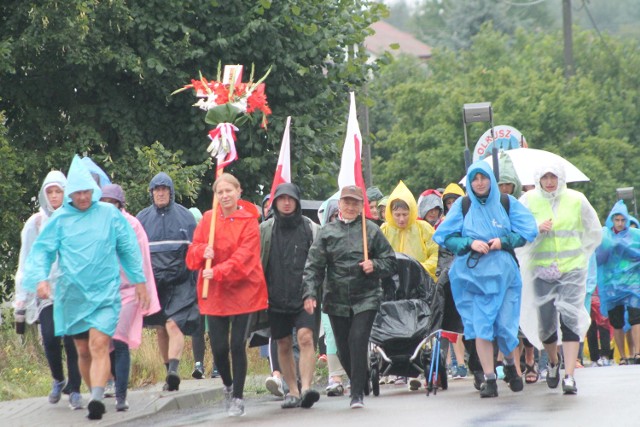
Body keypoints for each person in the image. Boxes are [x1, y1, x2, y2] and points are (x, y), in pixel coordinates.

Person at [23, 155, 149, 420]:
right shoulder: (60, 220)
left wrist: (139, 281)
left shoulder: (109, 215)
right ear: (70, 194)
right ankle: (95, 395)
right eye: (77, 193)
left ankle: (96, 396)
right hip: (73, 296)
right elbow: (42, 252)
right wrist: (41, 279)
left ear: (94, 192)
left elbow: (128, 248)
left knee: (100, 344)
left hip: (104, 293)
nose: (82, 197)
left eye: (86, 192)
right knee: (82, 350)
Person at [433, 161, 538, 398]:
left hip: (504, 277)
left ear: (491, 179)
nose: (479, 183)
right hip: (472, 278)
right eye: (474, 179)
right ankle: (489, 378)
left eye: (483, 178)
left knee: (505, 327)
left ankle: (510, 363)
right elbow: (445, 236)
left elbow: (527, 231)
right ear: (469, 182)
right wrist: (469, 243)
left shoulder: (506, 203)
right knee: (480, 326)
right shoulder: (463, 205)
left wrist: (503, 242)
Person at [303, 185, 396, 409]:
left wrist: (374, 264)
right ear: (340, 205)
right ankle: (361, 378)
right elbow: (313, 267)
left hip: (366, 297)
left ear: (361, 206)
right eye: (347, 202)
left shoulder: (371, 230)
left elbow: (391, 261)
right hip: (335, 299)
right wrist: (309, 293)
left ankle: (356, 395)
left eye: (355, 203)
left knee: (357, 340)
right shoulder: (327, 232)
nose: (351, 207)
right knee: (343, 349)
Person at [186, 173, 268, 417]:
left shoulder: (249, 220)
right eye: (220, 192)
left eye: (228, 191)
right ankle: (228, 385)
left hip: (244, 290)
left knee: (236, 345)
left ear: (238, 191)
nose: (224, 196)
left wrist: (218, 270)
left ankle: (239, 397)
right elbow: (191, 255)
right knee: (220, 348)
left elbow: (245, 258)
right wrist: (203, 250)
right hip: (215, 293)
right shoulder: (208, 219)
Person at [519, 162, 602, 395]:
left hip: (572, 270)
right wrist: (536, 228)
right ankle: (553, 362)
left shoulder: (577, 199)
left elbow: (594, 231)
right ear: (538, 178)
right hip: (541, 271)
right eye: (544, 177)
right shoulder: (527, 201)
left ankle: (569, 375)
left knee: (570, 320)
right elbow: (517, 232)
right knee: (546, 326)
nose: (549, 181)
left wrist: (581, 255)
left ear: (561, 177)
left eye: (553, 176)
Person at [13, 170, 83, 409]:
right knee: (51, 338)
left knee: (73, 340)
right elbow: (26, 260)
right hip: (46, 291)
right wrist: (21, 301)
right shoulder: (36, 223)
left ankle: (75, 388)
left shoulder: (74, 218)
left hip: (71, 289)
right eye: (50, 192)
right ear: (44, 194)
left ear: (66, 193)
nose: (54, 196)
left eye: (58, 191)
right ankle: (58, 378)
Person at [100, 184, 160, 411]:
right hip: (106, 291)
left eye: (111, 202)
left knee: (120, 339)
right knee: (105, 342)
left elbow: (142, 257)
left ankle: (121, 396)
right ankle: (113, 382)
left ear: (119, 204)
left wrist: (142, 286)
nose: (107, 207)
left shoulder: (132, 225)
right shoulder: (97, 225)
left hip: (130, 290)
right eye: (103, 202)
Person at [137, 173, 200, 392]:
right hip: (155, 284)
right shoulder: (142, 219)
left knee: (173, 325)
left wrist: (197, 284)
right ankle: (169, 374)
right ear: (151, 192)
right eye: (156, 189)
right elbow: (135, 255)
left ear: (171, 192)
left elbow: (196, 253)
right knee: (161, 329)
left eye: (164, 189)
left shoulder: (186, 218)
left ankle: (174, 369)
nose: (161, 192)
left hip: (181, 282)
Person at [260, 183, 320, 409]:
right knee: (283, 344)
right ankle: (292, 391)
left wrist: (312, 291)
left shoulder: (309, 228)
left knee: (305, 338)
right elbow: (258, 264)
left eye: (290, 198)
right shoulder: (266, 229)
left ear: (297, 201)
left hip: (305, 295)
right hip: (275, 298)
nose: (286, 202)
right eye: (281, 198)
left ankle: (306, 388)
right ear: (275, 202)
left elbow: (317, 262)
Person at [595, 200, 640, 364]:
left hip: (633, 283)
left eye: (623, 220)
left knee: (636, 318)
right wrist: (610, 246)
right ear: (612, 220)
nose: (620, 223)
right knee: (617, 322)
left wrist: (626, 249)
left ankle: (637, 353)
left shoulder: (636, 235)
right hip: (612, 285)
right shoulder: (605, 236)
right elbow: (598, 258)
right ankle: (622, 356)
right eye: (617, 220)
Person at [381, 181, 439, 281]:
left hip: (421, 281)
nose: (401, 219)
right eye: (397, 215)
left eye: (405, 214)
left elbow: (436, 254)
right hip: (392, 282)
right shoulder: (384, 230)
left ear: (411, 212)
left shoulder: (424, 228)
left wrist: (420, 268)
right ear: (391, 213)